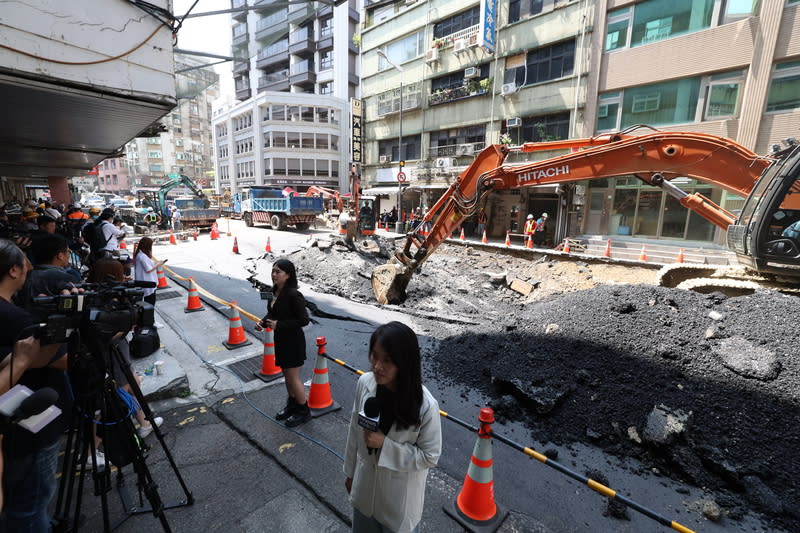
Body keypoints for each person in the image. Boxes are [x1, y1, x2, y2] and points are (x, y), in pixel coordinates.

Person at [343, 321, 442, 533]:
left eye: (387, 360)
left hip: (398, 504)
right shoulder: (365, 383)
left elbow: (430, 456)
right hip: (364, 492)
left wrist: (385, 445)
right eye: (374, 356)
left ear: (404, 363)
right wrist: (350, 474)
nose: (377, 366)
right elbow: (354, 430)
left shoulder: (425, 406)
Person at [0, 240, 68, 531]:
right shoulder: (14, 319)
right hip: (29, 427)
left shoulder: (14, 309)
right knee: (29, 507)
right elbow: (63, 360)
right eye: (23, 262)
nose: (28, 266)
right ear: (13, 270)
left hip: (15, 427)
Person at [254, 259, 311, 427]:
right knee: (286, 376)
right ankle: (292, 405)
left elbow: (304, 320)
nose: (274, 275)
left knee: (293, 378)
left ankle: (303, 411)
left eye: (278, 272)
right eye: (273, 271)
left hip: (293, 341)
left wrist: (280, 325)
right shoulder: (273, 292)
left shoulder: (294, 294)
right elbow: (273, 313)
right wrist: (263, 323)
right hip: (281, 340)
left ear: (288, 275)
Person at [134, 237, 165, 306]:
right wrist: (158, 264)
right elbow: (148, 269)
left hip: (146, 282)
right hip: (147, 282)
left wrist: (156, 263)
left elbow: (148, 265)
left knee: (148, 302)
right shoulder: (142, 256)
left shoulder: (141, 254)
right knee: (150, 303)